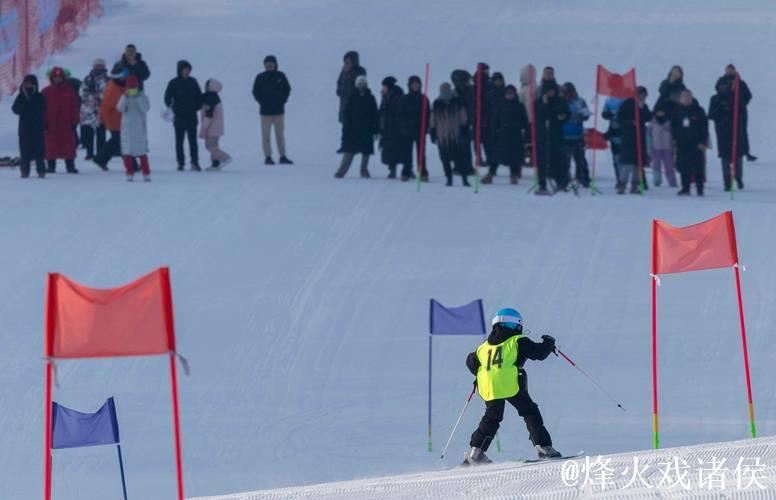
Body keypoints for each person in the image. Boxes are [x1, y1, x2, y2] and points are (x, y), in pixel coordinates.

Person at [463, 308, 559, 465]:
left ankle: (476, 453)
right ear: (516, 325)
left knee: (492, 417)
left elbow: (471, 362)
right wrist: (549, 343)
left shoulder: (484, 347)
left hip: (489, 386)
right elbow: (539, 353)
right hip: (510, 384)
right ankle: (544, 448)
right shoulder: (517, 341)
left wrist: (480, 374)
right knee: (529, 411)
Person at [252, 55, 292, 165]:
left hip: (279, 111)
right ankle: (268, 156)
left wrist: (282, 100)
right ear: (264, 65)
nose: (269, 65)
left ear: (275, 64)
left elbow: (287, 89)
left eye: (271, 63)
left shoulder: (281, 76)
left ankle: (282, 156)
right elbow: (255, 91)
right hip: (265, 112)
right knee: (266, 136)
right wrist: (262, 101)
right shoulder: (260, 77)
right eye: (267, 63)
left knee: (280, 135)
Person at [335, 75, 378, 178]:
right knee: (349, 151)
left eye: (363, 84)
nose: (361, 86)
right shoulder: (352, 97)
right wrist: (346, 127)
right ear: (356, 85)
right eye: (360, 84)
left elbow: (375, 114)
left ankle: (364, 170)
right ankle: (341, 171)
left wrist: (376, 129)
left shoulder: (371, 98)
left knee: (366, 152)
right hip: (353, 130)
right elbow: (347, 114)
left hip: (367, 130)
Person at [429, 82, 471, 186]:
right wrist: (433, 132)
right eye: (443, 90)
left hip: (456, 135)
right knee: (445, 159)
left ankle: (464, 179)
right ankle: (449, 179)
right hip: (442, 136)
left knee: (461, 159)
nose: (445, 92)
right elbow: (433, 120)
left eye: (447, 89)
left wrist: (464, 128)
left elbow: (463, 116)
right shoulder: (436, 104)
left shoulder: (457, 102)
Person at [164, 60, 203, 171]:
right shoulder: (173, 82)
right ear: (180, 70)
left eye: (188, 69)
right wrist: (172, 107)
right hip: (179, 116)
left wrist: (196, 107)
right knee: (179, 141)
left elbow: (199, 97)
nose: (187, 71)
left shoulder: (193, 81)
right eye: (185, 69)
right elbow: (167, 97)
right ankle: (180, 163)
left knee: (193, 141)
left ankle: (195, 162)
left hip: (191, 116)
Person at [709, 77, 746, 191]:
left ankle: (738, 177)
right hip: (722, 133)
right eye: (721, 86)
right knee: (725, 159)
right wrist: (721, 109)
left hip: (735, 131)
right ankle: (727, 182)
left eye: (726, 86)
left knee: (737, 157)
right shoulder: (715, 99)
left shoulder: (736, 97)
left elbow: (742, 111)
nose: (724, 88)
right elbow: (711, 115)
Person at [41, 67, 79, 174]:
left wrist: (75, 121)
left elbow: (74, 106)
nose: (57, 79)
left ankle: (70, 166)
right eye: (55, 77)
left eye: (60, 77)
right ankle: (51, 166)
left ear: (63, 78)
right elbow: (42, 109)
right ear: (52, 78)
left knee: (69, 146)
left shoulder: (69, 91)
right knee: (51, 146)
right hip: (51, 124)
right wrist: (43, 122)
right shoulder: (45, 91)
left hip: (67, 123)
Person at [488, 85, 529, 185]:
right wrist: (493, 134)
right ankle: (490, 174)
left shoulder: (519, 106)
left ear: (514, 94)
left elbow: (524, 121)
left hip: (515, 134)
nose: (509, 95)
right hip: (502, 134)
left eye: (511, 93)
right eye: (508, 93)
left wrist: (526, 132)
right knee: (496, 156)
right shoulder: (500, 105)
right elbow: (495, 120)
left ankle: (513, 175)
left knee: (514, 157)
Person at [671, 90, 708, 196]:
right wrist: (674, 138)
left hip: (696, 143)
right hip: (682, 143)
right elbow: (673, 126)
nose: (686, 99)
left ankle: (700, 188)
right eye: (684, 97)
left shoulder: (699, 110)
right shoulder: (677, 111)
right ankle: (685, 188)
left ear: (691, 97)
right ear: (680, 99)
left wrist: (703, 142)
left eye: (688, 96)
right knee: (683, 166)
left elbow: (704, 127)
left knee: (698, 166)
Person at [615, 86, 652, 194]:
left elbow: (648, 117)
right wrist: (631, 122)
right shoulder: (627, 104)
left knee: (638, 163)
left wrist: (642, 109)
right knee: (626, 163)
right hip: (628, 138)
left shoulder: (644, 106)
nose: (643, 98)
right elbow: (620, 118)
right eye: (641, 95)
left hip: (640, 137)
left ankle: (635, 185)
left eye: (644, 96)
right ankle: (622, 184)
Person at [534, 83, 569, 194]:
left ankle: (560, 183)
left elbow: (566, 113)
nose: (550, 93)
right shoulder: (538, 102)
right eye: (548, 91)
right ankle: (542, 184)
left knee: (558, 159)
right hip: (543, 135)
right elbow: (539, 116)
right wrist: (545, 104)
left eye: (552, 90)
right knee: (542, 161)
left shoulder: (560, 100)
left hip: (556, 134)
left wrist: (563, 116)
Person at [717, 64, 755, 162]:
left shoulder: (741, 83)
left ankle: (746, 152)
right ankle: (730, 152)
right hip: (728, 112)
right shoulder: (722, 81)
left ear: (734, 70)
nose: (729, 71)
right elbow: (719, 91)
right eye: (728, 70)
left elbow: (748, 95)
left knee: (742, 132)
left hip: (740, 112)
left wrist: (742, 104)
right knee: (729, 132)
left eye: (731, 69)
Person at [11, 75, 47, 178]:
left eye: (30, 83)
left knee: (39, 150)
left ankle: (41, 170)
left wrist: (33, 105)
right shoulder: (21, 96)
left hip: (37, 127)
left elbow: (42, 107)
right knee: (24, 150)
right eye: (26, 83)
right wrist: (24, 108)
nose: (28, 85)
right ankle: (25, 171)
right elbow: (14, 108)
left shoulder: (39, 96)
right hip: (24, 128)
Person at [117, 75, 151, 181]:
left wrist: (137, 97)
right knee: (127, 153)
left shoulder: (142, 96)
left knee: (142, 153)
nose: (132, 89)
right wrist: (125, 97)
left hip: (139, 129)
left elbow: (145, 108)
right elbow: (120, 108)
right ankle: (129, 173)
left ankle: (146, 173)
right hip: (126, 129)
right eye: (130, 87)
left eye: (134, 87)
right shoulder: (124, 96)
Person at [398, 75, 431, 182]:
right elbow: (400, 114)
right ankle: (406, 172)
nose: (416, 86)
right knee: (407, 153)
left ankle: (423, 172)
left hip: (420, 130)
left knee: (421, 153)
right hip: (407, 130)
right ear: (410, 86)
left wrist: (427, 126)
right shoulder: (405, 98)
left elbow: (428, 114)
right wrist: (404, 125)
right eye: (413, 84)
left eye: (417, 84)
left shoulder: (424, 99)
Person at [94, 69, 127, 170]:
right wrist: (102, 119)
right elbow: (105, 106)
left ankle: (100, 159)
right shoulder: (112, 90)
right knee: (120, 142)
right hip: (114, 121)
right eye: (123, 76)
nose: (125, 78)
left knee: (117, 142)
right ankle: (100, 159)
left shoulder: (122, 87)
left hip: (122, 120)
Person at [560, 82, 591, 188]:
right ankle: (564, 180)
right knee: (565, 160)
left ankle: (583, 178)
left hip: (578, 135)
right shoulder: (560, 101)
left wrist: (583, 116)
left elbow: (586, 115)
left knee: (580, 159)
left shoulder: (580, 101)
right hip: (564, 135)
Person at [337, 51, 366, 151]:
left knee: (354, 124)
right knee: (345, 125)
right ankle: (345, 144)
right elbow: (339, 82)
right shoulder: (344, 71)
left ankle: (355, 144)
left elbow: (360, 86)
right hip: (344, 102)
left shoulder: (359, 71)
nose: (347, 64)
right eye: (346, 61)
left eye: (349, 62)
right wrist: (339, 91)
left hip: (355, 103)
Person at [80, 58, 109, 160]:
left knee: (101, 133)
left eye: (100, 66)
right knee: (88, 134)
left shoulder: (107, 80)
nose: (98, 68)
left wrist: (99, 95)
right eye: (96, 66)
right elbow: (81, 92)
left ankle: (101, 153)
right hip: (88, 110)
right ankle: (89, 153)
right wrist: (90, 94)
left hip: (102, 109)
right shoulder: (87, 79)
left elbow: (108, 94)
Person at [200, 79, 231, 171]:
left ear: (210, 87)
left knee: (210, 146)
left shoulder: (210, 99)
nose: (205, 87)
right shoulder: (214, 97)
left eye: (206, 85)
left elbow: (208, 116)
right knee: (214, 146)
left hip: (212, 128)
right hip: (216, 128)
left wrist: (203, 129)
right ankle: (215, 164)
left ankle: (225, 158)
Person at [481, 71, 506, 183]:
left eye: (499, 80)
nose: (498, 82)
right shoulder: (489, 95)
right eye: (496, 80)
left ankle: (515, 172)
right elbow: (485, 110)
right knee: (494, 149)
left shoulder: (507, 93)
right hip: (492, 125)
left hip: (505, 124)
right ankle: (492, 170)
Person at [379, 76, 405, 179]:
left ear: (389, 87)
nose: (383, 88)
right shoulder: (385, 96)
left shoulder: (397, 96)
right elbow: (382, 111)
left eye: (384, 86)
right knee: (389, 149)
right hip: (387, 127)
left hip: (396, 127)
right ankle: (392, 169)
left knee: (400, 149)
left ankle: (407, 169)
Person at [649, 99, 677, 188]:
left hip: (667, 148)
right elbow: (648, 136)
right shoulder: (652, 124)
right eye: (659, 112)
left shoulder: (669, 123)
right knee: (656, 165)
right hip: (655, 148)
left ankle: (672, 182)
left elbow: (673, 135)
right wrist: (649, 147)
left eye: (662, 112)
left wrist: (673, 145)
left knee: (669, 165)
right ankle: (657, 181)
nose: (660, 113)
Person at [601, 97, 625, 184]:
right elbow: (604, 114)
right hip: (613, 133)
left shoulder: (626, 98)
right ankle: (620, 179)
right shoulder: (609, 101)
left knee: (626, 159)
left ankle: (630, 179)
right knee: (616, 158)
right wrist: (610, 114)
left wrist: (620, 115)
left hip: (626, 134)